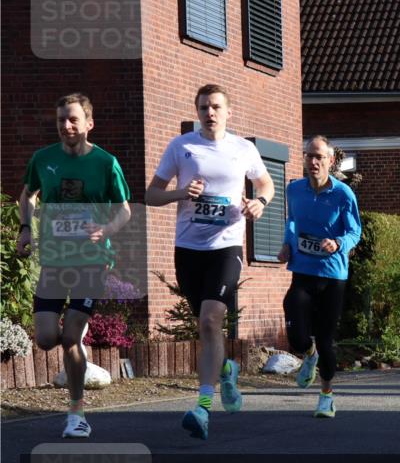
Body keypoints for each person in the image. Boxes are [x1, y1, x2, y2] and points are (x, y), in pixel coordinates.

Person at [146, 84, 274, 440]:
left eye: (216, 106)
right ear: (197, 112)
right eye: (203, 107)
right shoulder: (181, 146)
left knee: (210, 319)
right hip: (188, 248)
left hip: (226, 246)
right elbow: (151, 194)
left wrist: (260, 203)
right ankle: (226, 368)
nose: (210, 113)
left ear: (228, 112)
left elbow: (266, 184)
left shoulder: (243, 148)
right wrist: (180, 192)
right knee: (207, 328)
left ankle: (202, 408)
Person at [16, 93, 132, 438]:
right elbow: (28, 194)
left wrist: (106, 229)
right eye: (61, 120)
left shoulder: (106, 163)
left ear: (88, 124)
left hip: (92, 262)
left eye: (73, 120)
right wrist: (26, 228)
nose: (66, 126)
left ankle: (76, 413)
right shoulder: (43, 159)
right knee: (45, 338)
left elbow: (124, 209)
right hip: (54, 260)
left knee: (69, 336)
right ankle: (75, 345)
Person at [277, 136, 361, 417]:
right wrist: (287, 244)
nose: (313, 162)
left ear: (330, 161)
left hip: (332, 276)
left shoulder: (343, 194)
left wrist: (338, 243)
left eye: (319, 157)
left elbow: (355, 232)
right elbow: (292, 221)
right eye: (309, 156)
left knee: (326, 340)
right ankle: (308, 353)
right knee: (297, 332)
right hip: (302, 271)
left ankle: (326, 396)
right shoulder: (294, 190)